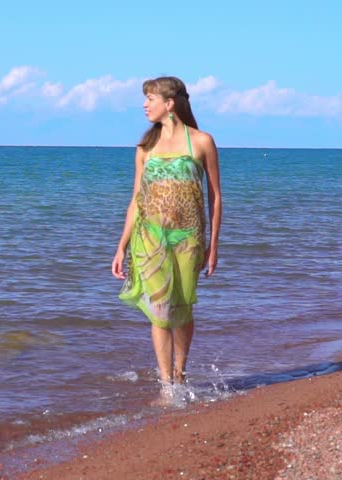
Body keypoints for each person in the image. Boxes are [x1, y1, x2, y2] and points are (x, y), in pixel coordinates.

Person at [112, 76, 222, 397]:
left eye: (150, 98)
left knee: (182, 308)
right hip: (149, 238)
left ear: (169, 103)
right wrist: (120, 246)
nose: (145, 105)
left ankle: (180, 372)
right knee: (160, 311)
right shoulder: (145, 148)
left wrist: (213, 247)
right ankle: (166, 384)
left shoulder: (201, 142)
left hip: (189, 238)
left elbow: (215, 197)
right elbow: (136, 199)